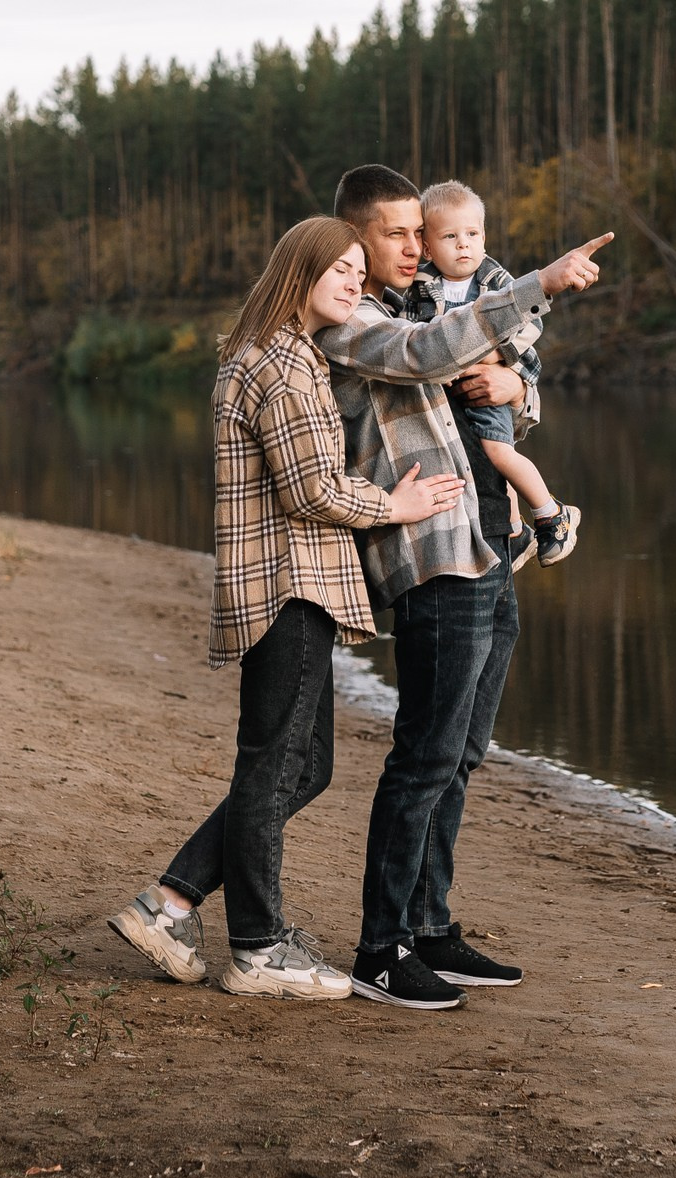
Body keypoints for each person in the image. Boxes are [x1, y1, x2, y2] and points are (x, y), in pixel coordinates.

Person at [109, 217, 467, 999]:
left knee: (300, 766)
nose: (350, 280)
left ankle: (168, 904)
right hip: (288, 583)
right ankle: (258, 949)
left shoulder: (286, 353)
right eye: (335, 269)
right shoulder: (282, 361)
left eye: (354, 269)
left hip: (286, 585)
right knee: (278, 766)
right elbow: (311, 488)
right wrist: (396, 505)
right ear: (296, 272)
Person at [317, 163, 610, 1009]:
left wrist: (521, 385)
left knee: (463, 752)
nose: (416, 248)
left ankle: (431, 926)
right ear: (356, 240)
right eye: (399, 234)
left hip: (490, 547)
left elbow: (502, 395)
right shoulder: (354, 317)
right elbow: (426, 353)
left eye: (422, 232)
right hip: (432, 554)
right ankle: (381, 947)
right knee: (424, 755)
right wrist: (538, 281)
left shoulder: (423, 302)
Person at [409, 178, 578, 567]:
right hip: (444, 392)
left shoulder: (496, 281)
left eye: (472, 234)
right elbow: (409, 335)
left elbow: (530, 324)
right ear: (428, 246)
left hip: (487, 379)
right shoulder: (419, 286)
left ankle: (552, 512)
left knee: (498, 451)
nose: (463, 244)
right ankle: (515, 532)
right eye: (450, 236)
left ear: (484, 237)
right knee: (472, 460)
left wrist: (492, 358)